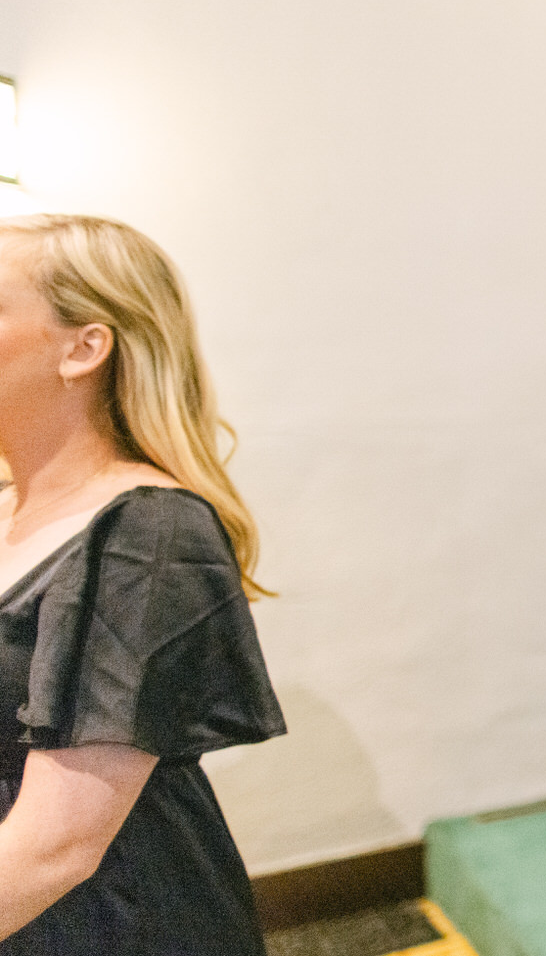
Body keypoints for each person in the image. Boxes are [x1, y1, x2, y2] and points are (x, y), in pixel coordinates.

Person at [0, 214, 285, 954]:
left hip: (100, 923)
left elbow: (54, 847)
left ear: (84, 347)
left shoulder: (149, 534)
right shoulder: (7, 504)